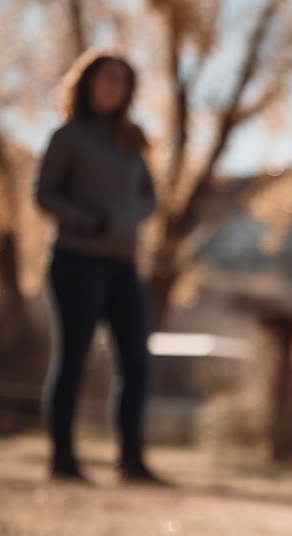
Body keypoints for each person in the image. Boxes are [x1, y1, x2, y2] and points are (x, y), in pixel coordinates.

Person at [35, 50, 164, 484]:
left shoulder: (132, 139)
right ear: (87, 82)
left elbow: (149, 197)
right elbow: (44, 195)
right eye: (107, 77)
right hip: (76, 259)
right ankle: (63, 461)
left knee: (137, 361)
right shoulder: (67, 136)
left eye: (122, 80)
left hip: (123, 264)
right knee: (74, 358)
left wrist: (128, 218)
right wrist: (89, 221)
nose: (114, 86)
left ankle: (132, 462)